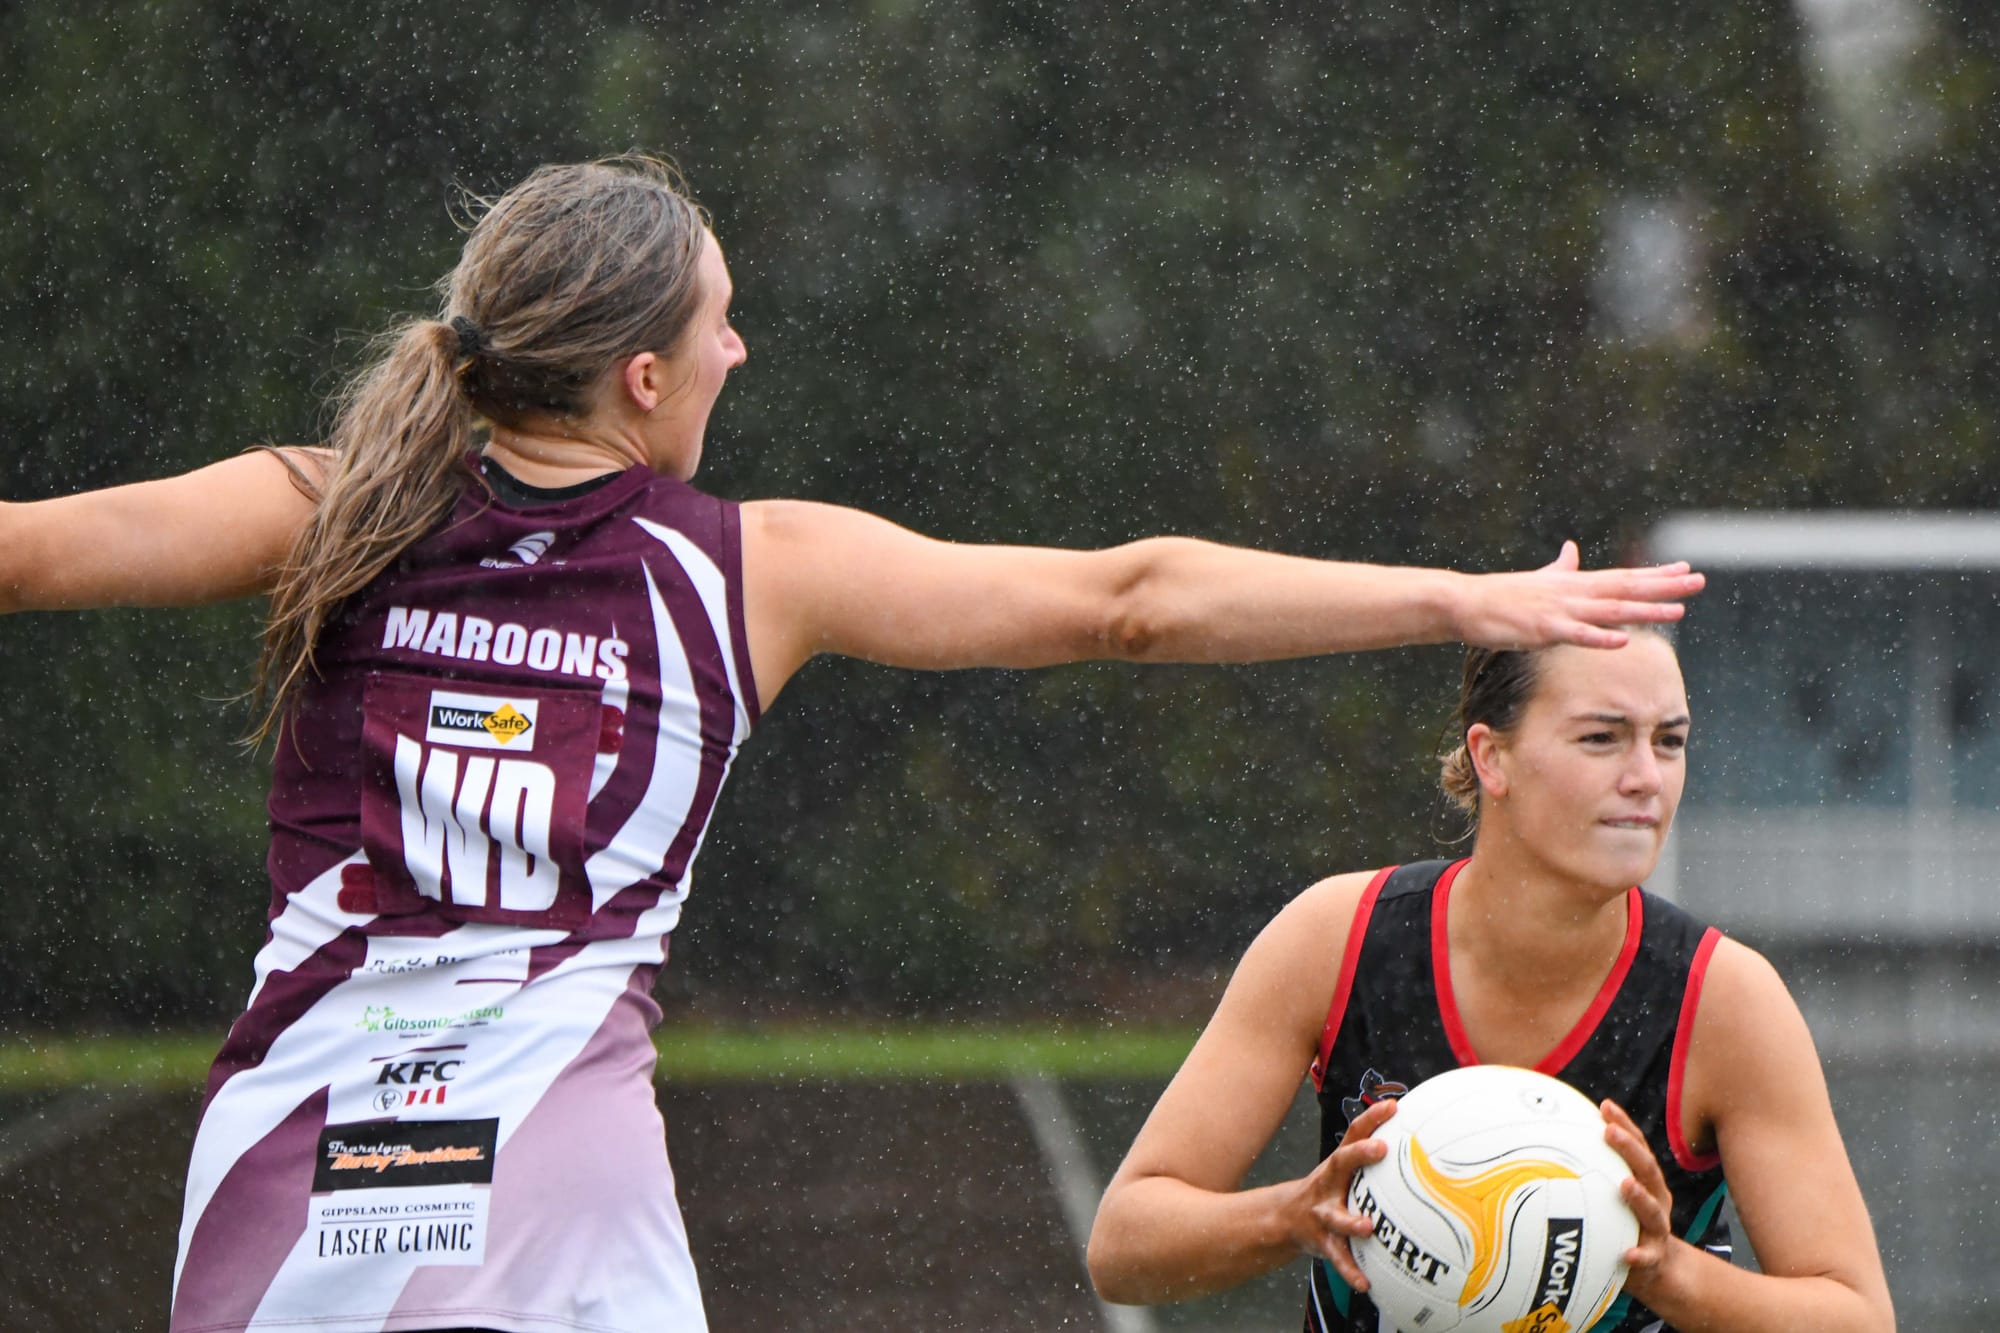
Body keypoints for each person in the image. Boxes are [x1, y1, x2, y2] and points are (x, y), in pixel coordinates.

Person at [0, 155, 1704, 1333]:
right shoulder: (749, 566)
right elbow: (1132, 598)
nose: (744, 345)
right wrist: (1454, 598)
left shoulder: (324, 507)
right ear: (648, 380)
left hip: (296, 1144)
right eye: (724, 320)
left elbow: (24, 550)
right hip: (548, 1165)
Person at [1086, 630, 1895, 1331]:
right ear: (1491, 756)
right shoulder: (1338, 937)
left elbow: (1855, 1314)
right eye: (1602, 738)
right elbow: (1125, 1248)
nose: (1648, 776)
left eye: (1670, 740)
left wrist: (1663, 1271)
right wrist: (1295, 1214)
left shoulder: (1722, 1000)